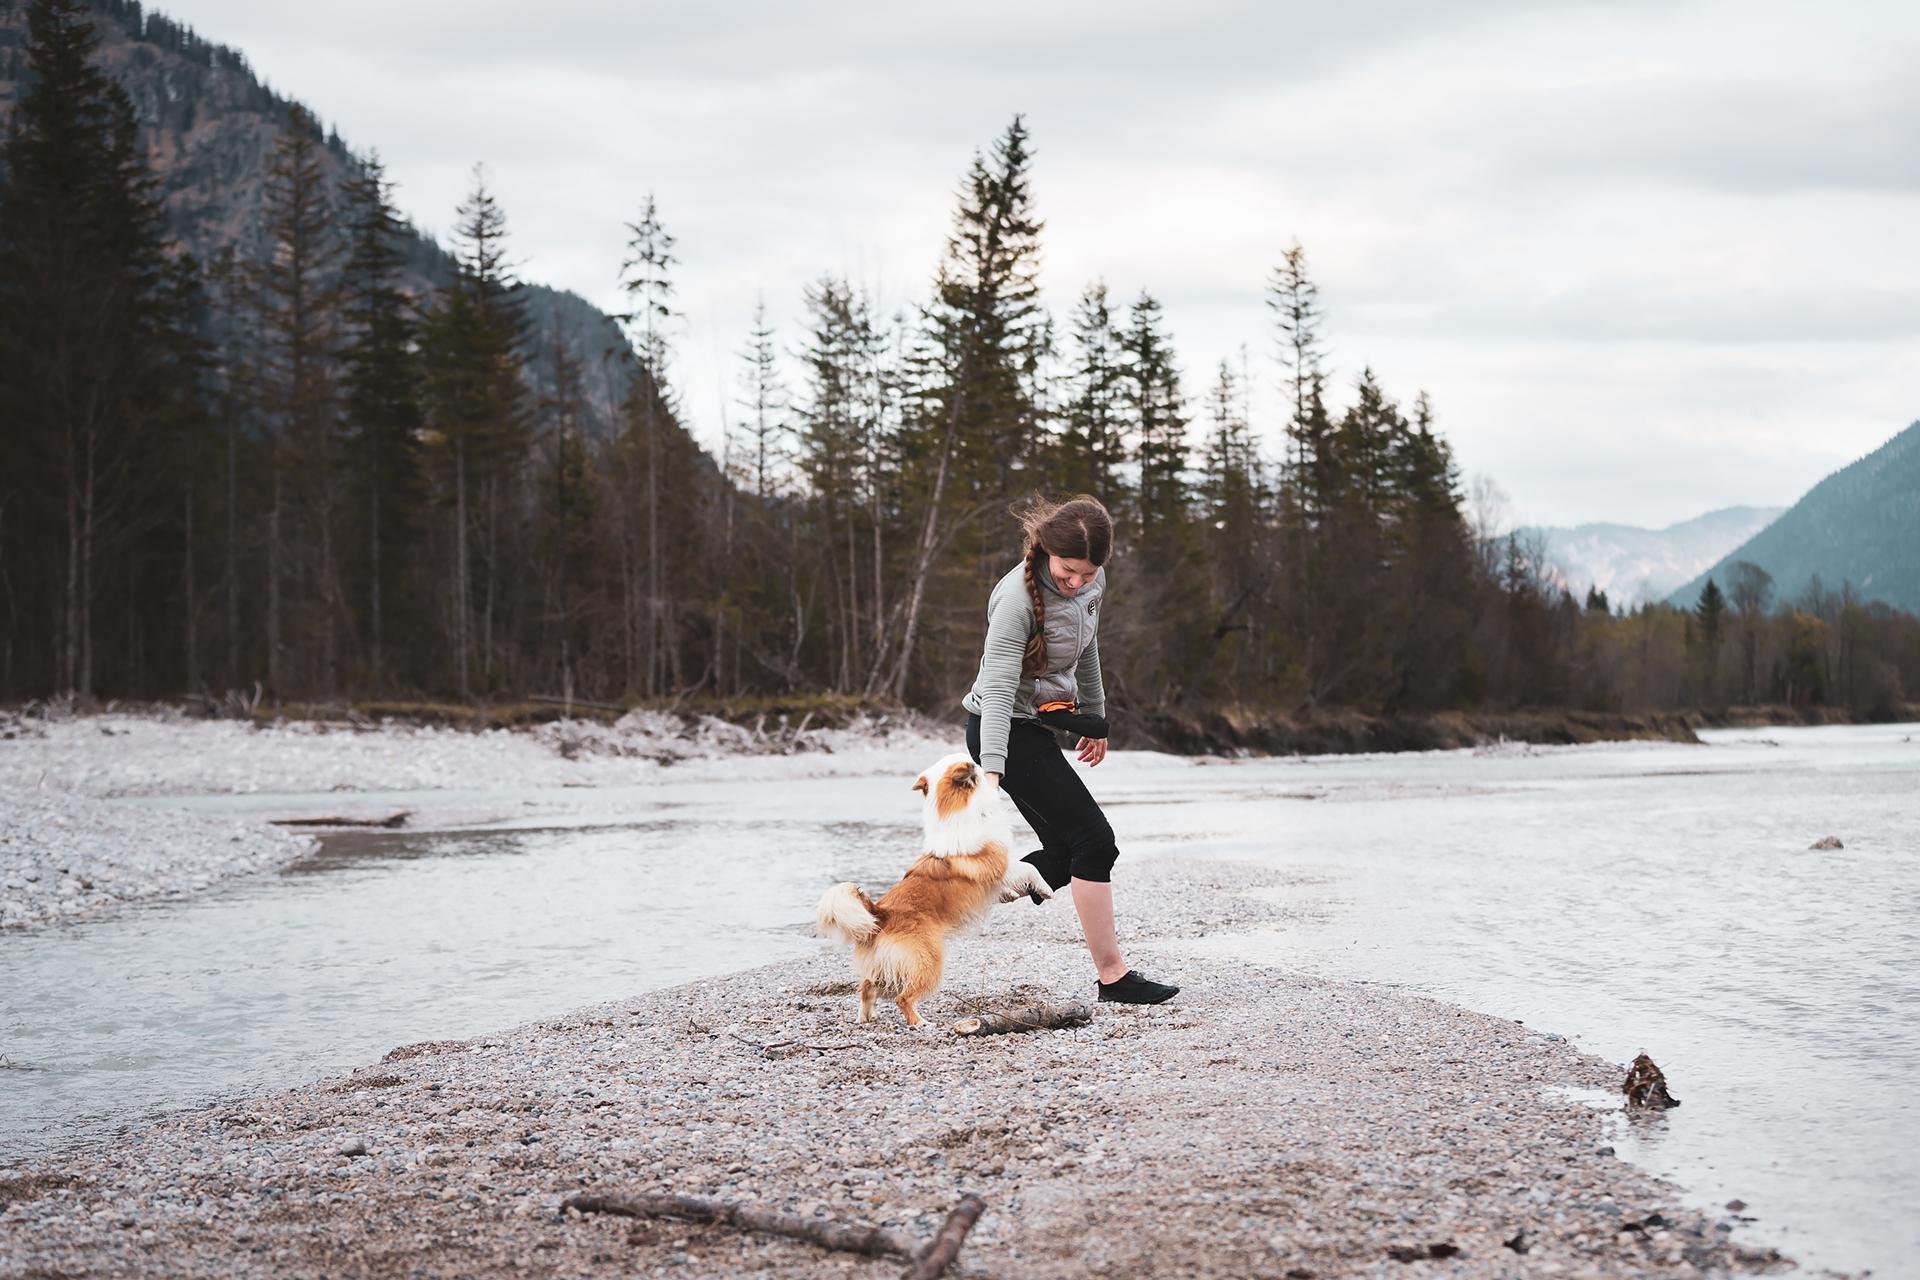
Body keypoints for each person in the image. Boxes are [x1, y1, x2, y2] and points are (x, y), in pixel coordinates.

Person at [961, 495, 1179, 1005]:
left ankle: (963, 891)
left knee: (1064, 853)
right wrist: (992, 773)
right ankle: (1114, 977)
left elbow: (1088, 648)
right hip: (1002, 730)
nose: (1076, 582)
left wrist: (1096, 719)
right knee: (1095, 842)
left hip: (1037, 724)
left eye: (1087, 573)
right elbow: (995, 691)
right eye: (1067, 570)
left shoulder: (1091, 582)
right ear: (1045, 551)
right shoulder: (1016, 599)